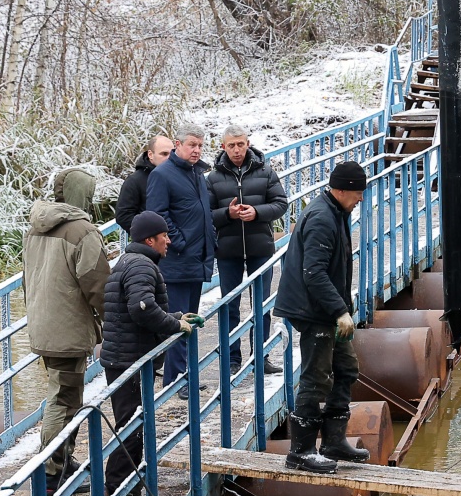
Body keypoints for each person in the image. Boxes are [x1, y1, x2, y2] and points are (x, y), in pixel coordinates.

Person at [99, 211, 204, 496]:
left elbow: (142, 307)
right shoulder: (142, 265)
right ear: (150, 240)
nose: (169, 241)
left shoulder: (133, 262)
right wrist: (175, 325)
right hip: (128, 361)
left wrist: (176, 316)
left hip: (127, 357)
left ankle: (130, 494)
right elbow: (141, 308)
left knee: (137, 427)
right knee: (130, 428)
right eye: (164, 236)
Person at [273, 161, 372, 473]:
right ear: (340, 190)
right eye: (357, 193)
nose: (360, 199)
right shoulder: (321, 218)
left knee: (346, 368)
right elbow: (313, 273)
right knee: (316, 376)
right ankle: (300, 451)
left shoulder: (338, 211)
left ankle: (333, 441)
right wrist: (340, 311)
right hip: (312, 310)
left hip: (327, 309)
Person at [23, 167, 111, 495]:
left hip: (43, 322)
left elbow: (27, 277)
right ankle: (51, 472)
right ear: (81, 195)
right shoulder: (82, 231)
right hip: (68, 327)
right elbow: (97, 283)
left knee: (67, 394)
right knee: (63, 398)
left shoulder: (35, 228)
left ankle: (63, 458)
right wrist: (110, 320)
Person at [206, 125, 288, 377]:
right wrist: (227, 214)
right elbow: (205, 216)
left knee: (261, 305)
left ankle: (260, 356)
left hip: (259, 247)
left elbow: (281, 203)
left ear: (248, 143)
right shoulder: (212, 178)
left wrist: (257, 212)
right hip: (229, 250)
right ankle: (232, 358)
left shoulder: (265, 171)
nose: (237, 149)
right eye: (231, 145)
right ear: (223, 147)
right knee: (230, 305)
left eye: (240, 144)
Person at [146, 123, 215, 400]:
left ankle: (185, 375)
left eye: (200, 145)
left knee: (191, 320)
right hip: (176, 262)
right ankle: (174, 380)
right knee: (178, 321)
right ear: (178, 145)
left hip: (197, 259)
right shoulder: (162, 175)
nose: (197, 150)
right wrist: (181, 242)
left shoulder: (197, 173)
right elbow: (158, 215)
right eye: (192, 145)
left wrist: (209, 242)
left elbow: (199, 212)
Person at [115, 136, 173, 234]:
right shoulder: (134, 181)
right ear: (150, 154)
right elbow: (123, 216)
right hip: (152, 243)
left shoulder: (178, 176)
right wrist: (149, 236)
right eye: (164, 154)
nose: (169, 158)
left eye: (172, 154)